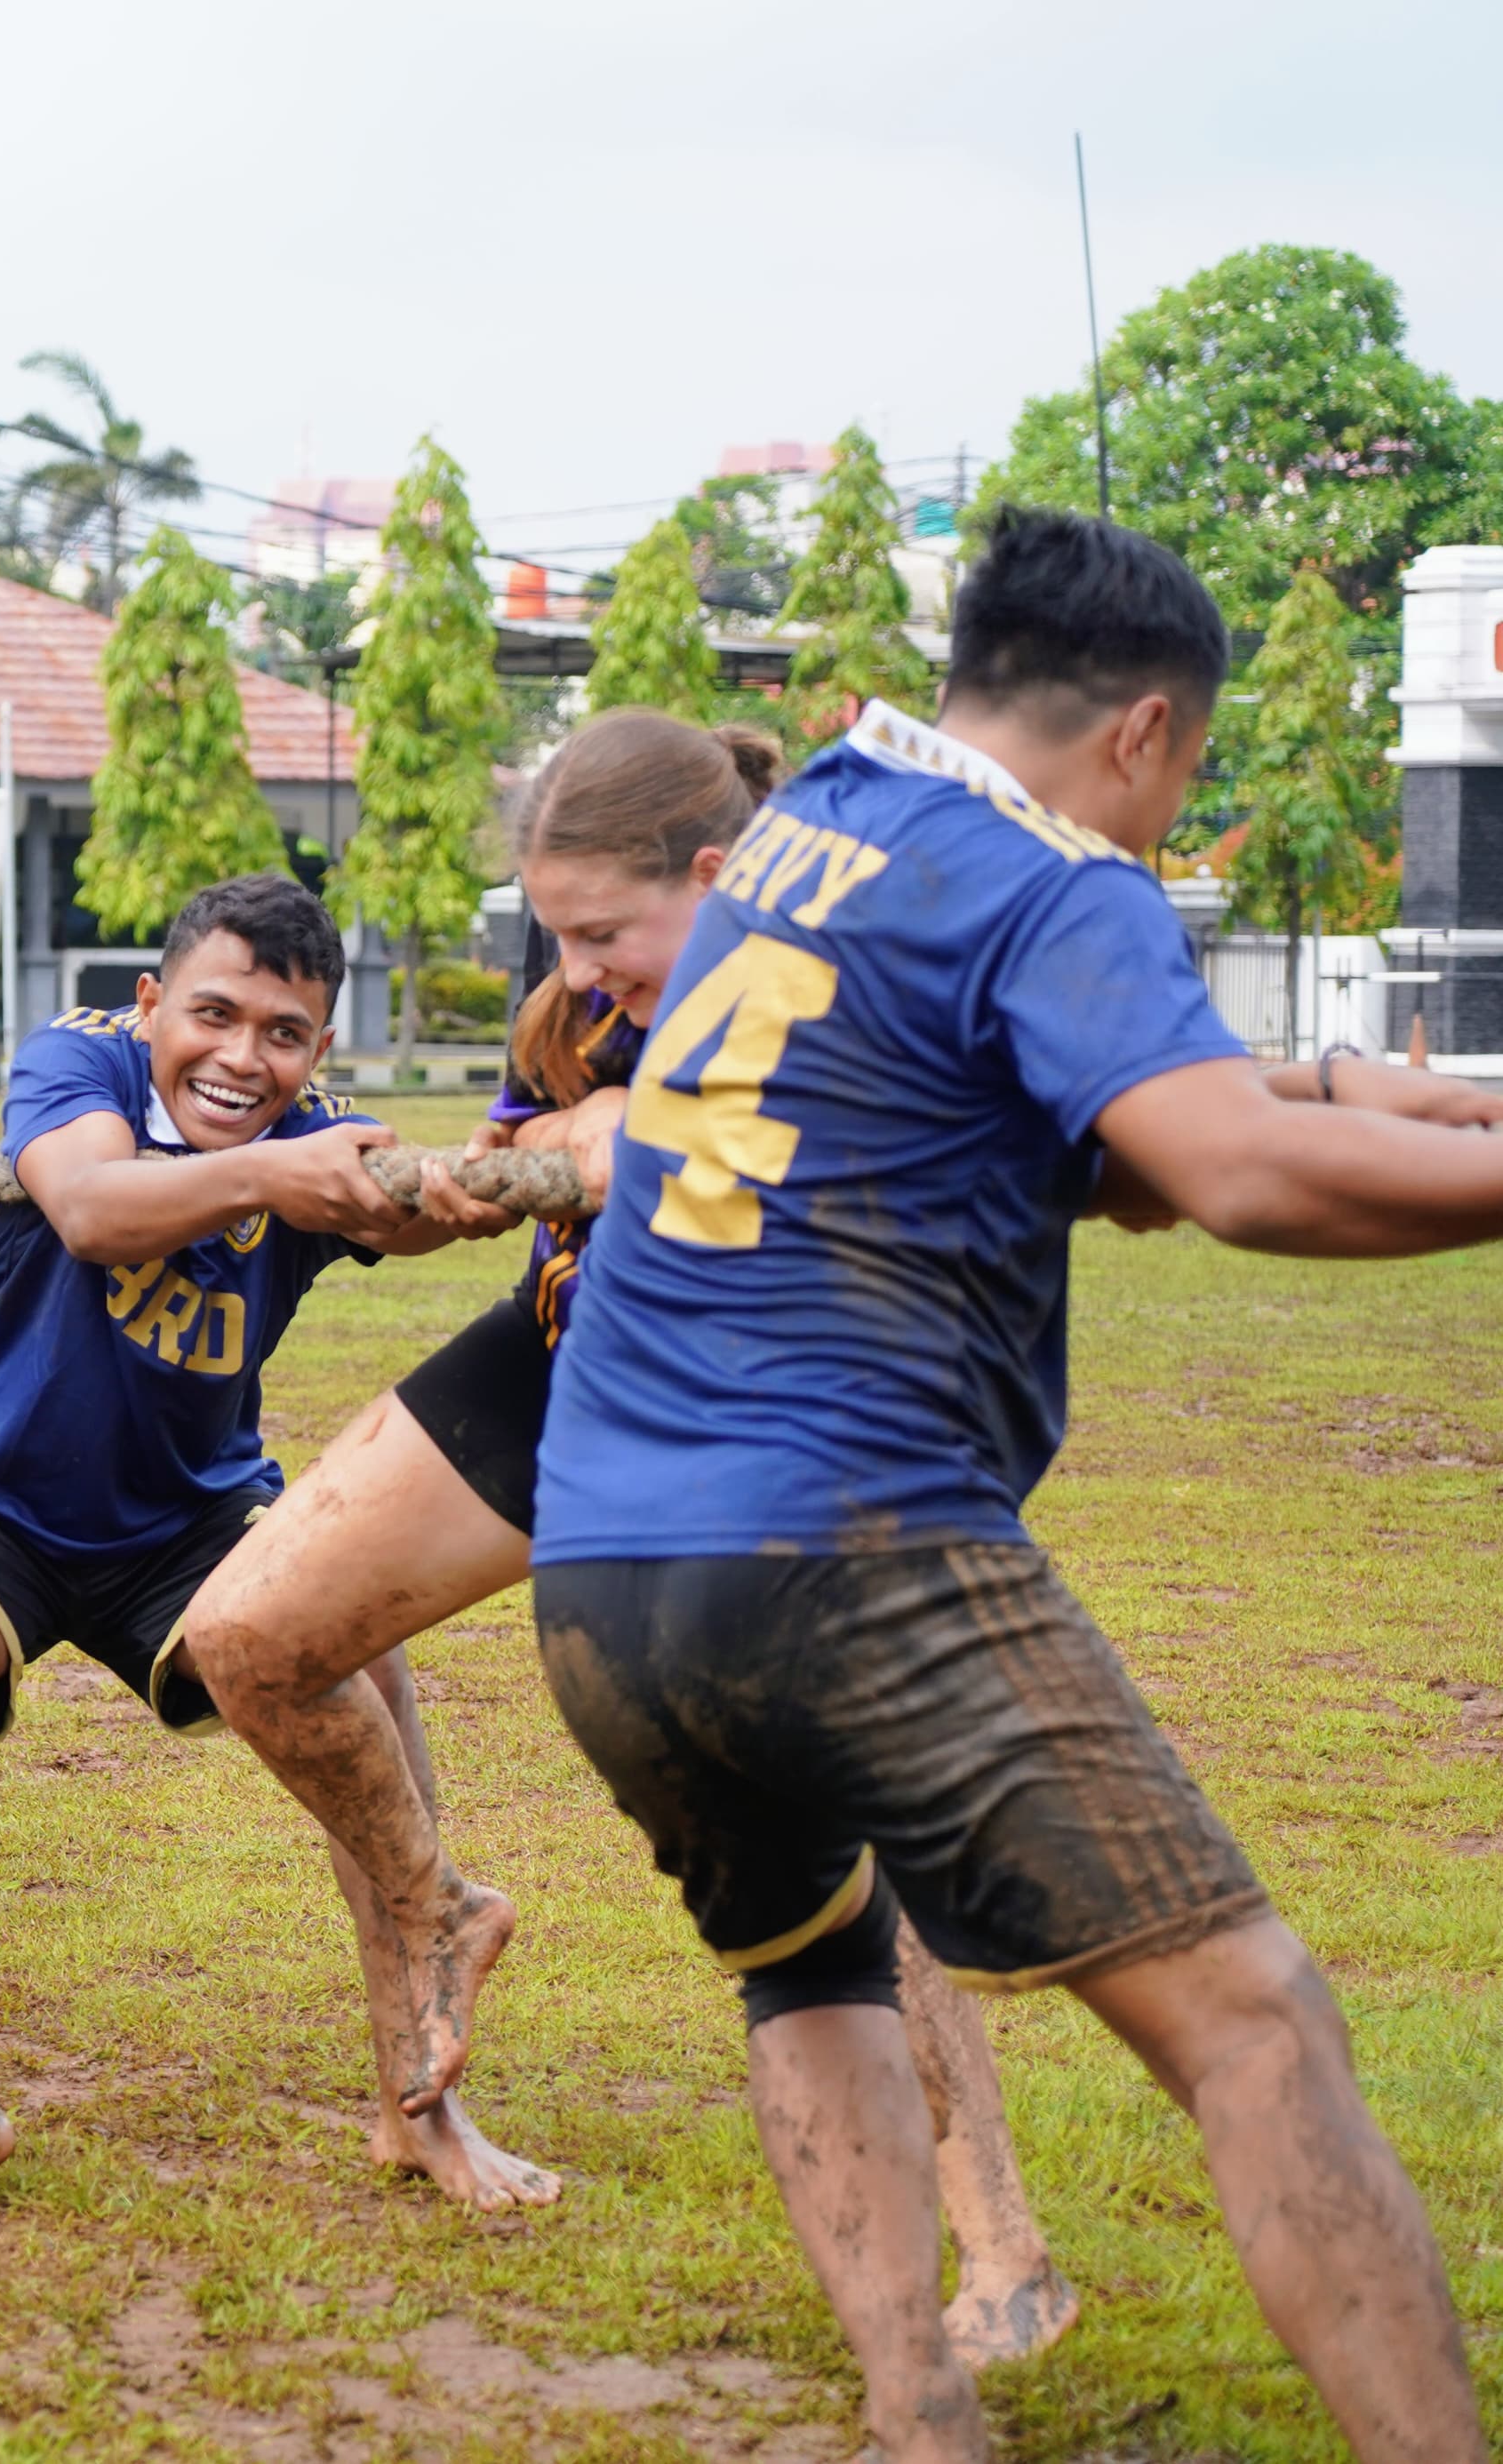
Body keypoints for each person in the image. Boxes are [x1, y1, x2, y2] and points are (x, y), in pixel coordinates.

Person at [532, 507, 1495, 2462]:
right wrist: (1313, 1119)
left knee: (808, 1971)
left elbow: (1116, 1155)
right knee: (1256, 2021)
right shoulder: (1056, 872)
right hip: (844, 1541)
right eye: (1183, 773)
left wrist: (1331, 1089)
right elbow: (1228, 1179)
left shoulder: (806, 833)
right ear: (1143, 730)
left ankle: (920, 2413)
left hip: (601, 1564)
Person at [173, 715, 1073, 2358]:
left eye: (599, 934)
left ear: (716, 876)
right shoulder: (595, 986)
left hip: (756, 1415)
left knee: (836, 1804)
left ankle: (1003, 2241)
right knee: (251, 1637)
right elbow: (536, 1126)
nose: (577, 968)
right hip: (566, 1355)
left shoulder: (849, 977)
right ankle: (440, 1909)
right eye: (560, 936)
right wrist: (519, 1153)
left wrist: (614, 1136)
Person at [0, 872, 516, 2235]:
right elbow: (89, 1206)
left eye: (284, 1034)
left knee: (364, 1662)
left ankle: (418, 2100)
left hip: (191, 1520)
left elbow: (408, 1214)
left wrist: (455, 1188)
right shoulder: (75, 1059)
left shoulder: (312, 1136)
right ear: (151, 1005)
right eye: (214, 1014)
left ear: (320, 1049)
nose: (242, 1057)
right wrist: (279, 1176)